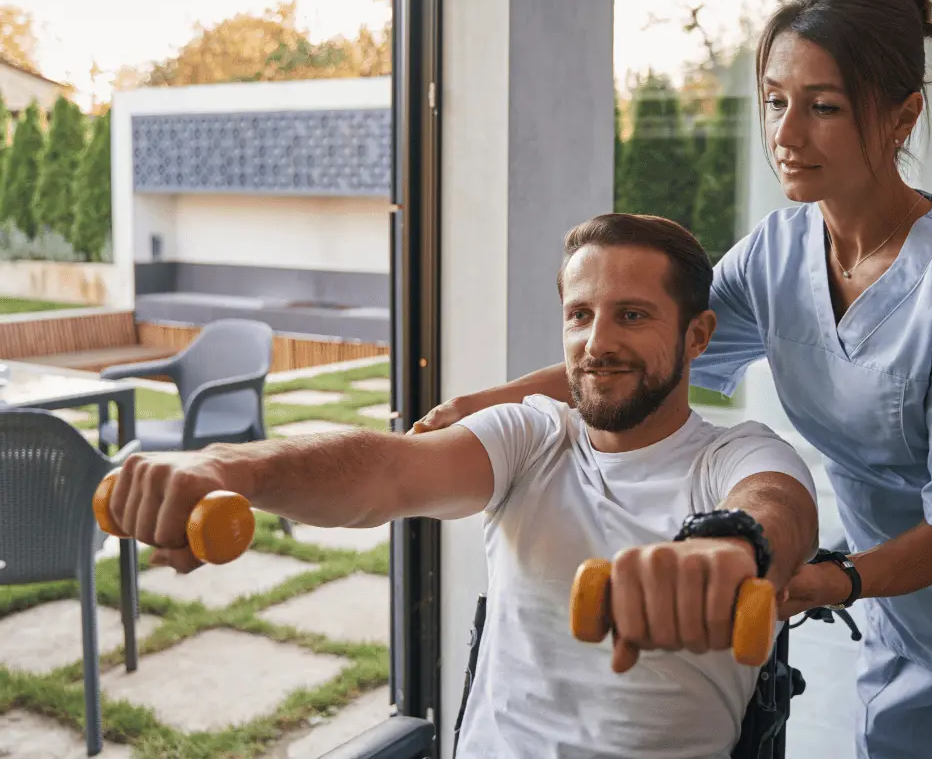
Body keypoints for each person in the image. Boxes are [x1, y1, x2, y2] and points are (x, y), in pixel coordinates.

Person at [413, 0, 932, 758]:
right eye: (776, 101)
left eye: (823, 107)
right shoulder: (778, 253)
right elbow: (648, 354)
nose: (787, 134)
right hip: (903, 621)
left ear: (901, 117)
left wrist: (836, 579)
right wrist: (489, 401)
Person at [105, 213, 822, 758]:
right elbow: (383, 472)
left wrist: (731, 547)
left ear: (698, 336)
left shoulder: (737, 453)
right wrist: (233, 468)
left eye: (631, 315)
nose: (597, 343)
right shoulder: (535, 433)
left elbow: (778, 510)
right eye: (580, 315)